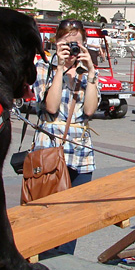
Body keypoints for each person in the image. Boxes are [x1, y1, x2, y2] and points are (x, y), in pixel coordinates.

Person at [32, 19, 101, 255]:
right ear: (56, 42)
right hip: (50, 147)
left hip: (80, 151)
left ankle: (66, 261)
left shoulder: (88, 72)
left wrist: (90, 73)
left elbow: (90, 111)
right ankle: (43, 257)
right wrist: (60, 69)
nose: (71, 49)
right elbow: (51, 107)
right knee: (47, 211)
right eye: (66, 42)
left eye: (76, 43)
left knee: (74, 215)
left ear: (83, 45)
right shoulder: (44, 68)